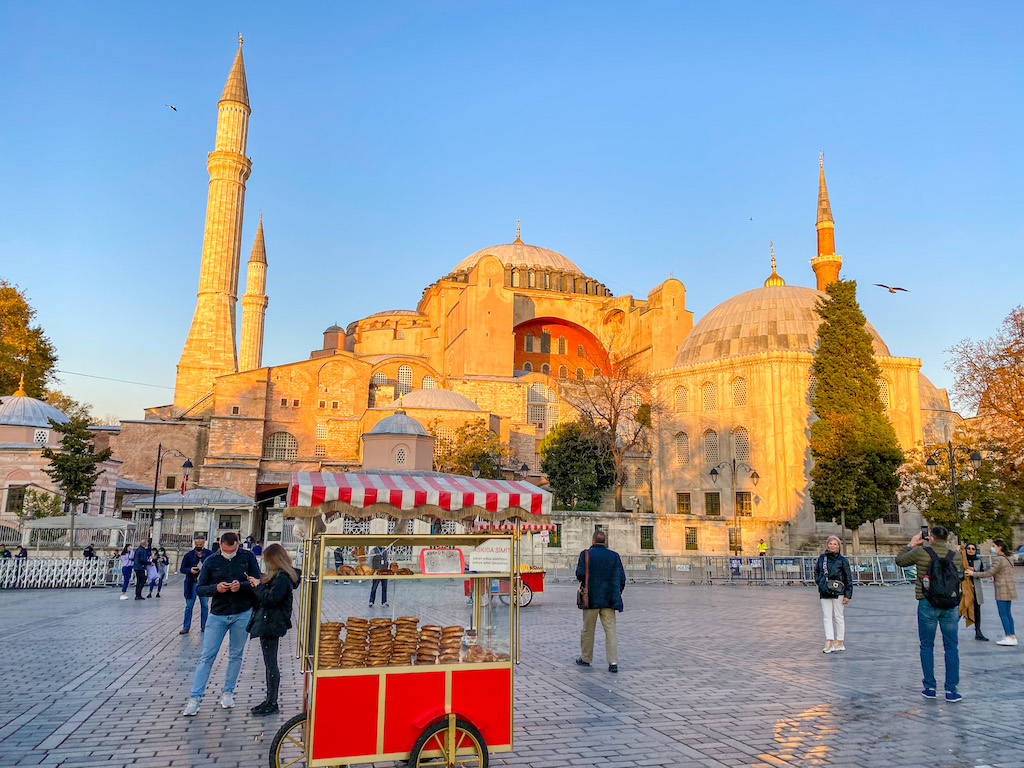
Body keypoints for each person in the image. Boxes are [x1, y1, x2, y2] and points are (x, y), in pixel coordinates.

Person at [182, 531, 261, 716]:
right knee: (207, 656)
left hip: (242, 611)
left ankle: (228, 692)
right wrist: (216, 589)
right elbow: (201, 588)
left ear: (238, 544)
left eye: (233, 550)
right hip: (218, 613)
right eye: (226, 551)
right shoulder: (211, 561)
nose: (229, 553)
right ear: (220, 545)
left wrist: (240, 585)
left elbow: (257, 581)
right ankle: (195, 698)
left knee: (236, 655)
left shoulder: (248, 557)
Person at [895, 525, 964, 702]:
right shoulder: (955, 556)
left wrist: (912, 544)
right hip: (949, 604)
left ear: (930, 537)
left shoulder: (921, 552)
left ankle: (930, 686)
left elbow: (900, 561)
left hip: (928, 602)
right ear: (947, 539)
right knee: (951, 646)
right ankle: (951, 690)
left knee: (927, 645)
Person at [246, 543, 300, 716]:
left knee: (271, 665)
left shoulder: (282, 578)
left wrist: (258, 586)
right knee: (269, 664)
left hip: (272, 623)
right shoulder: (278, 576)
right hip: (269, 622)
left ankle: (272, 701)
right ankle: (269, 699)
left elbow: (271, 599)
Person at [574, 529, 626, 673]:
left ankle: (586, 658)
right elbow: (622, 579)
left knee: (588, 630)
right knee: (610, 631)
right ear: (605, 541)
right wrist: (616, 592)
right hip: (609, 600)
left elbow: (579, 574)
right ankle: (613, 661)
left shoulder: (586, 554)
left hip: (591, 599)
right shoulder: (614, 556)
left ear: (592, 541)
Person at [966, 539, 1017, 646]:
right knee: (1008, 614)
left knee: (1003, 614)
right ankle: (1012, 636)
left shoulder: (999, 559)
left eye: (994, 546)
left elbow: (990, 573)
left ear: (999, 547)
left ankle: (1008, 636)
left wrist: (973, 573)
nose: (992, 548)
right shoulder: (1008, 558)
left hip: (1002, 589)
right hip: (1009, 588)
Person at [814, 535, 853, 653]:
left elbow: (848, 578)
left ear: (838, 546)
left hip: (838, 591)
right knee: (827, 617)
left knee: (838, 616)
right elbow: (817, 571)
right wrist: (820, 582)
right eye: (830, 543)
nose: (832, 546)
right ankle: (829, 640)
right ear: (827, 545)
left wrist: (848, 594)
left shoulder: (843, 560)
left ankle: (839, 641)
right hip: (825, 591)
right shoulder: (822, 558)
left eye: (835, 544)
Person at [179, 537, 214, 634]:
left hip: (204, 584)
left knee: (205, 606)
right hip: (192, 583)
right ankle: (186, 627)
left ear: (203, 544)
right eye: (197, 544)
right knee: (189, 606)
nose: (199, 546)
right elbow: (182, 568)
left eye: (201, 544)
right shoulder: (188, 555)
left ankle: (204, 626)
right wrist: (190, 570)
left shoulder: (209, 554)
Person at [963, 543, 989, 641]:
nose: (970, 550)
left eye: (973, 548)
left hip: (976, 588)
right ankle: (951, 631)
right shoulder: (962, 560)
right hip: (964, 588)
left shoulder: (978, 561)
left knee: (977, 611)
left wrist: (974, 572)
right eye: (968, 548)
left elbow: (982, 573)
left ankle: (978, 631)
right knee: (960, 609)